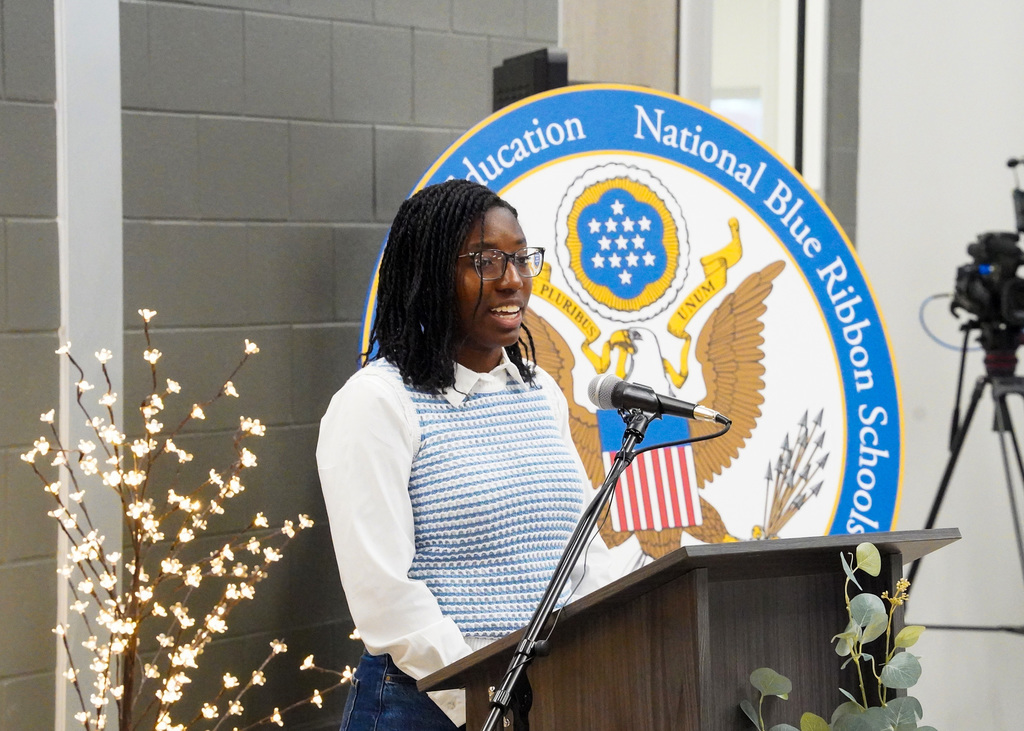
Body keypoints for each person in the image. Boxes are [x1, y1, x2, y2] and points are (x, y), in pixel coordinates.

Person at [316, 179, 613, 730]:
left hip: (541, 695)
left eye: (520, 259)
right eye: (485, 261)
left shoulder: (536, 389)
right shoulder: (376, 402)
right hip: (428, 705)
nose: (512, 281)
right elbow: (385, 595)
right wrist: (481, 700)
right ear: (429, 276)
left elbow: (577, 550)